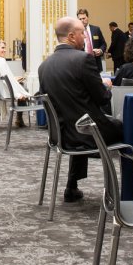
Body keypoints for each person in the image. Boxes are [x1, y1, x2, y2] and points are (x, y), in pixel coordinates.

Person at [37, 16, 121, 203]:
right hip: (86, 134)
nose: (85, 37)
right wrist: (106, 85)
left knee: (81, 119)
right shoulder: (83, 59)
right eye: (83, 33)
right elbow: (102, 98)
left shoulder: (44, 67)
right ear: (72, 36)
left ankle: (72, 186)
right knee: (132, 129)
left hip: (61, 135)